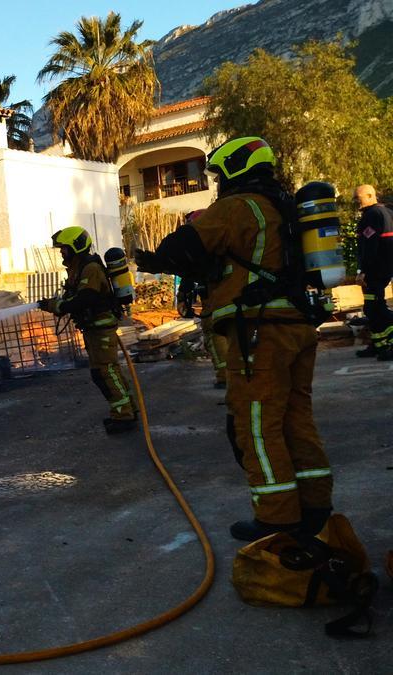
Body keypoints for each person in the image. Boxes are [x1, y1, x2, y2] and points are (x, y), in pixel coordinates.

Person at [135, 137, 332, 542]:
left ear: (236, 170)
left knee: (256, 425)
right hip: (296, 326)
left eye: (220, 173)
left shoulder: (239, 207)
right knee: (297, 419)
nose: (218, 181)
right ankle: (315, 506)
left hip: (260, 330)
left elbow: (180, 248)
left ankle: (277, 517)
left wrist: (160, 257)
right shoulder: (283, 208)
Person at [37, 226, 137, 434]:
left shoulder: (89, 268)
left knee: (105, 371)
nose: (61, 252)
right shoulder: (78, 267)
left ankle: (124, 415)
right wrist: (56, 303)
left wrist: (58, 307)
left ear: (76, 247)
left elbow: (85, 299)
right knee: (107, 371)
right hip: (93, 328)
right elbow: (75, 296)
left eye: (64, 248)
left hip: (100, 328)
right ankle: (127, 410)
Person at [174, 209, 229, 389]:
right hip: (222, 299)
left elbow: (189, 274)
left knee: (215, 336)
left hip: (214, 303)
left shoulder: (205, 249)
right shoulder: (221, 244)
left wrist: (183, 296)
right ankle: (228, 374)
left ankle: (225, 376)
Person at [353, 184, 393, 360]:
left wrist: (363, 271)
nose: (356, 201)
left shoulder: (371, 215)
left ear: (370, 196)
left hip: (375, 271)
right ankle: (379, 344)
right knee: (374, 307)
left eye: (358, 197)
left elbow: (370, 246)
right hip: (384, 268)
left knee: (374, 307)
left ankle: (385, 343)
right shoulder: (386, 212)